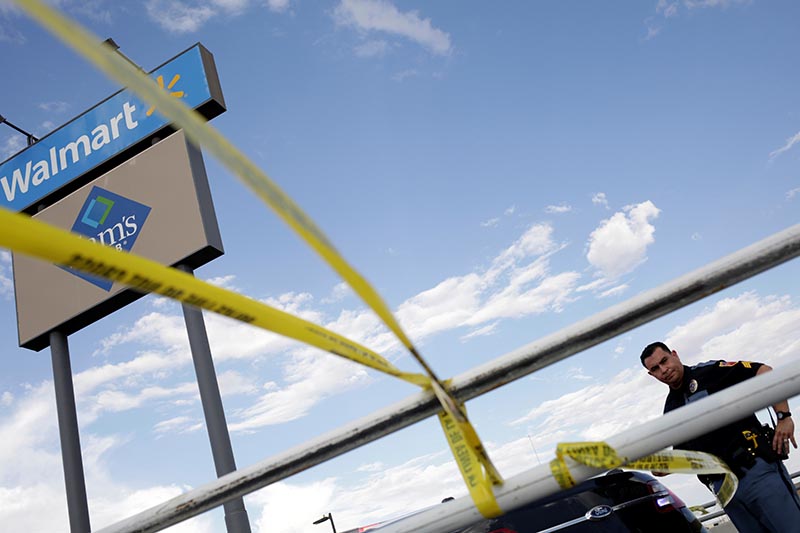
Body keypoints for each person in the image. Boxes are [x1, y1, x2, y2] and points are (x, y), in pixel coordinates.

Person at [640, 341, 800, 533]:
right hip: (726, 492)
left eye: (664, 361)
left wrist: (784, 417)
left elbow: (764, 372)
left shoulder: (710, 372)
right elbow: (686, 455)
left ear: (674, 354)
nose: (663, 370)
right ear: (651, 375)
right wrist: (660, 468)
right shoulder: (671, 409)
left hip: (756, 473)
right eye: (656, 369)